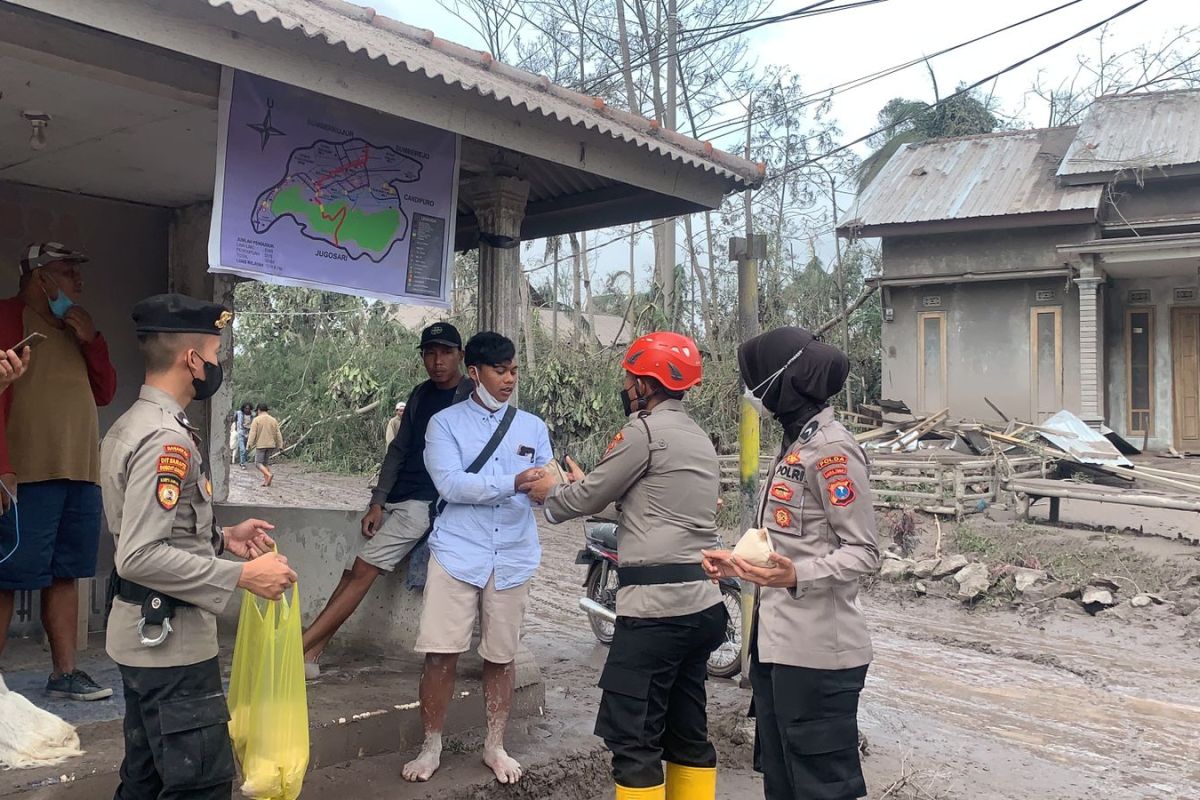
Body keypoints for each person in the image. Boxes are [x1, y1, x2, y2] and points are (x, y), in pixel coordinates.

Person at [101, 293, 298, 800]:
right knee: (199, 786)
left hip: (145, 638)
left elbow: (158, 528)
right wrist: (242, 576)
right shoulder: (166, 441)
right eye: (214, 355)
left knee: (144, 779)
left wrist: (221, 538)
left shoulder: (133, 424)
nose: (215, 366)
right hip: (172, 646)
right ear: (192, 360)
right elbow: (139, 554)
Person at [523, 332, 727, 800]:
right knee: (687, 732)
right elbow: (649, 506)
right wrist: (590, 488)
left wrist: (553, 494)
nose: (628, 387)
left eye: (631, 379)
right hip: (702, 607)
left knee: (633, 741)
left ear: (645, 383)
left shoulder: (644, 431)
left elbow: (592, 495)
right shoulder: (698, 437)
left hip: (656, 611)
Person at [702, 326, 880, 800]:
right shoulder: (793, 446)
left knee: (822, 790)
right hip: (775, 650)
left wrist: (798, 574)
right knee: (782, 784)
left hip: (819, 655)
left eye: (756, 381)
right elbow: (785, 543)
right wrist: (739, 563)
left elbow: (864, 552)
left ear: (785, 381)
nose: (751, 393)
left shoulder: (833, 451)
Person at [402, 331, 550, 786]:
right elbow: (451, 485)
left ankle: (495, 745)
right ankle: (431, 746)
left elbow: (544, 484)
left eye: (513, 370)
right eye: (499, 370)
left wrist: (557, 487)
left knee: (501, 657)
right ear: (475, 373)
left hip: (513, 554)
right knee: (441, 654)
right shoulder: (444, 425)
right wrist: (515, 481)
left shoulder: (533, 426)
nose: (509, 379)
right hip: (457, 552)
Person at [301, 322, 473, 677]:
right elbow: (398, 450)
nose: (437, 361)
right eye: (430, 353)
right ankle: (311, 653)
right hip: (398, 498)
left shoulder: (470, 397)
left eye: (445, 352)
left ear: (460, 355)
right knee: (352, 573)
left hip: (425, 504)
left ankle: (294, 650)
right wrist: (378, 502)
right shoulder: (421, 394)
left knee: (362, 571)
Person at [0, 242, 117, 702]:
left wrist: (93, 340)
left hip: (81, 472)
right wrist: (2, 468)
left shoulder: (75, 329)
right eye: (69, 274)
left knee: (67, 572)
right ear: (41, 278)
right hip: (25, 473)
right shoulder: (8, 318)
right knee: (7, 574)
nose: (79, 284)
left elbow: (105, 392)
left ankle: (65, 673)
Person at [246, 403, 283, 487]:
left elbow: (252, 433)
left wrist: (249, 445)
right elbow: (278, 434)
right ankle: (267, 481)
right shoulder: (273, 420)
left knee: (258, 463)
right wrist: (280, 445)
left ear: (259, 410)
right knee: (265, 464)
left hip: (261, 445)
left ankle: (269, 475)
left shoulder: (257, 420)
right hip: (271, 445)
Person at [236, 403, 254, 468]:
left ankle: (243, 461)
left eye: (248, 408)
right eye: (246, 408)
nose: (247, 410)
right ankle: (242, 463)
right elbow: (235, 420)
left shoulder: (252, 415)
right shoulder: (239, 413)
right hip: (241, 432)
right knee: (242, 449)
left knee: (246, 449)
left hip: (249, 433)